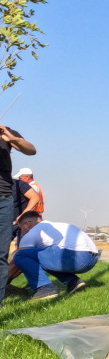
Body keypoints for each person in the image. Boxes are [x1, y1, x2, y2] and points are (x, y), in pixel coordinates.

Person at [11, 210, 98, 300]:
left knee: (21, 255)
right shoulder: (58, 225)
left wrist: (5, 282)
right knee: (43, 257)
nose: (22, 232)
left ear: (28, 224)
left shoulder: (33, 232)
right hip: (92, 259)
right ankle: (73, 282)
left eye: (21, 228)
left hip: (76, 257)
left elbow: (15, 260)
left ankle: (45, 288)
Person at [0, 126, 35, 309]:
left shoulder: (5, 132)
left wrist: (12, 139)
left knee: (1, 254)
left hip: (3, 198)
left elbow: (31, 150)